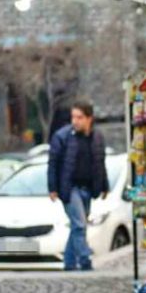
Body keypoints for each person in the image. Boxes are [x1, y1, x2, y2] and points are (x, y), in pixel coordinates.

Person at [47, 101, 109, 271]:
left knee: (77, 227)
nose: (75, 121)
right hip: (69, 188)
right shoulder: (62, 136)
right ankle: (85, 260)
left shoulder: (97, 138)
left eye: (79, 117)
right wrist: (52, 188)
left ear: (89, 119)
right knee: (80, 225)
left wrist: (104, 185)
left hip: (88, 188)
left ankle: (69, 265)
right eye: (73, 117)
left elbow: (100, 163)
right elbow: (53, 163)